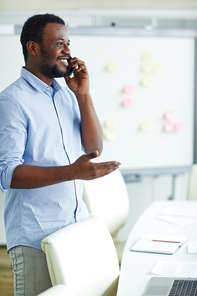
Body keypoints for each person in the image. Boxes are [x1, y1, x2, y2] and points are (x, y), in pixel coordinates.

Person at [0, 13, 120, 296]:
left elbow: (94, 147)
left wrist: (83, 94)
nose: (68, 51)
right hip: (35, 237)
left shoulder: (66, 94)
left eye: (68, 43)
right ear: (33, 48)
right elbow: (6, 173)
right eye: (59, 44)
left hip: (74, 230)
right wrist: (71, 172)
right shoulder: (12, 102)